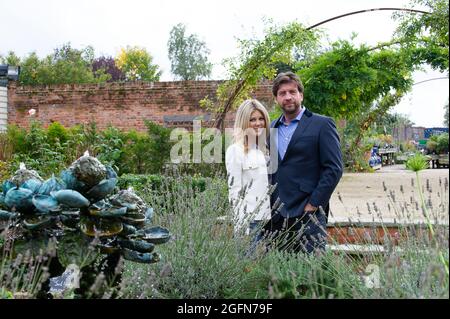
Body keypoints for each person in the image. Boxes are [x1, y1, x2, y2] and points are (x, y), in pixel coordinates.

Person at [265, 71, 343, 254]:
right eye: (282, 93)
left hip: (309, 214)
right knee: (278, 277)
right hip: (276, 216)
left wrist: (314, 204)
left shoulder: (322, 124)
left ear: (301, 94)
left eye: (292, 92)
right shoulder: (270, 129)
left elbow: (334, 168)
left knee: (310, 275)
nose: (288, 97)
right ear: (276, 99)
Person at [225, 99, 272, 248]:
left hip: (268, 219)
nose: (258, 123)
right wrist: (242, 227)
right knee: (248, 267)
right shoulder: (235, 150)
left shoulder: (264, 149)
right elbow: (234, 191)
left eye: (261, 118)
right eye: (252, 119)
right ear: (244, 122)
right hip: (250, 222)